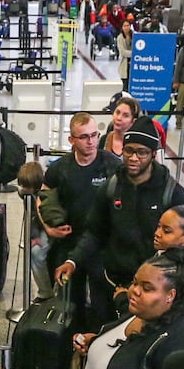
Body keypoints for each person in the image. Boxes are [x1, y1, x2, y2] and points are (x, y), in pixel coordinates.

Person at [58, 129, 184, 320]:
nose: (133, 158)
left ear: (153, 154)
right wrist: (73, 260)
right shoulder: (112, 187)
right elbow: (95, 232)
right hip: (109, 282)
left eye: (141, 152)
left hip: (150, 290)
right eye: (128, 150)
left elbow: (183, 244)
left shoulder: (171, 193)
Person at [43, 112, 119, 323]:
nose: (91, 141)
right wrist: (49, 227)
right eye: (84, 137)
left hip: (102, 247)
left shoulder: (112, 165)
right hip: (69, 244)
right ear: (72, 140)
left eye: (95, 135)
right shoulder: (60, 168)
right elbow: (44, 195)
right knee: (70, 305)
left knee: (102, 304)